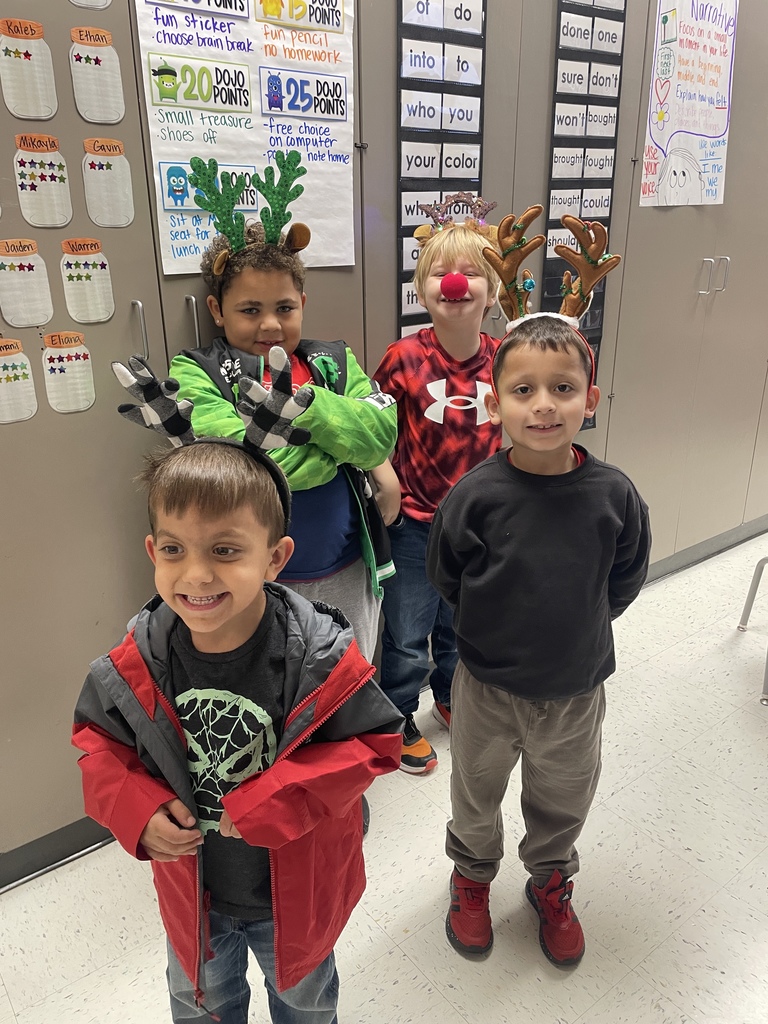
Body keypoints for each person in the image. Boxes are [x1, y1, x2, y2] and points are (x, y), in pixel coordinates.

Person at [72, 439, 403, 1023]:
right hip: (193, 899)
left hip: (294, 901)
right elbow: (98, 746)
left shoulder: (322, 659)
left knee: (304, 1001)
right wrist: (137, 811)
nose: (196, 575)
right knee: (203, 1003)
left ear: (275, 558)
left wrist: (275, 799)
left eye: (226, 550)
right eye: (174, 550)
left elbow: (373, 744)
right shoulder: (136, 663)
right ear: (152, 551)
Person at [426, 314, 651, 966]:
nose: (544, 404)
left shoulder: (614, 495)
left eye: (563, 387)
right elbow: (447, 575)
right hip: (486, 689)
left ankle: (550, 879)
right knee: (475, 792)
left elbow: (626, 578)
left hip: (575, 692)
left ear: (591, 399)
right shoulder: (476, 497)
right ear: (495, 404)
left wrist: (574, 628)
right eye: (523, 390)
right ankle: (471, 877)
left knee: (563, 796)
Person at [168, 221, 396, 667]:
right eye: (250, 309)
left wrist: (307, 411)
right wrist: (335, 445)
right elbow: (241, 465)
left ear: (303, 304)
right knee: (275, 692)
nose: (270, 324)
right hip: (252, 582)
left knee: (348, 683)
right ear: (217, 309)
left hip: (348, 568)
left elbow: (379, 436)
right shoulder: (198, 371)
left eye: (285, 308)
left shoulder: (332, 360)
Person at [372, 222, 503, 774]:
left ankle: (450, 696)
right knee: (407, 633)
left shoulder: (506, 358)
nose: (456, 282)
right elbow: (372, 427)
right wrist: (387, 482)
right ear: (423, 290)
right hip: (416, 524)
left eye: (473, 273)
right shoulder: (402, 357)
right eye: (442, 274)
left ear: (493, 292)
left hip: (480, 528)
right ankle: (397, 715)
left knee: (461, 622)